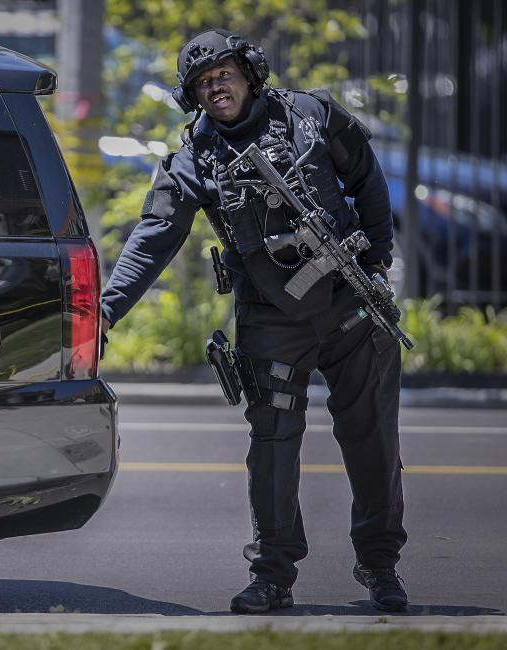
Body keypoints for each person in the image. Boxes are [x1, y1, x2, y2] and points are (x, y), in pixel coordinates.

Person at [100, 28, 409, 613]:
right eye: (202, 83)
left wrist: (376, 264)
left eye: (223, 74)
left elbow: (367, 175)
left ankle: (380, 567)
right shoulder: (194, 160)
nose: (215, 87)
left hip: (349, 304)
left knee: (372, 439)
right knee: (271, 446)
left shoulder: (311, 115)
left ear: (248, 72)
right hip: (271, 319)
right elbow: (152, 240)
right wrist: (107, 312)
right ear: (193, 98)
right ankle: (273, 575)